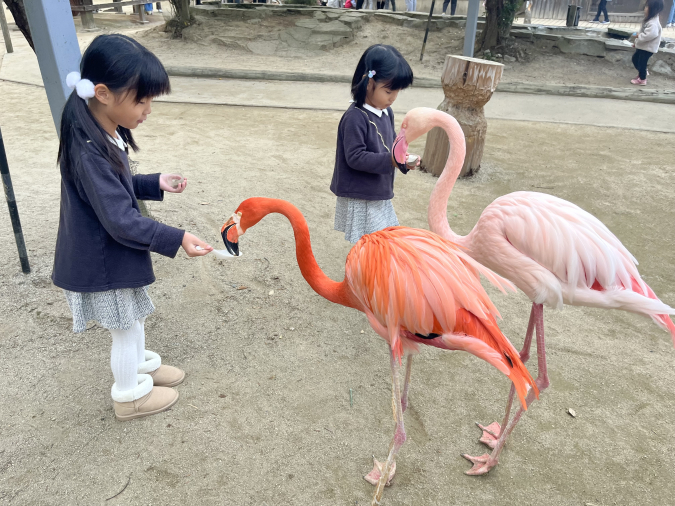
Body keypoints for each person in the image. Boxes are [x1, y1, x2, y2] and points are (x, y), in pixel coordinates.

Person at [53, 34, 214, 421]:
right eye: (141, 99)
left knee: (133, 318)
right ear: (104, 93)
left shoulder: (99, 129)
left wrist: (153, 182)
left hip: (111, 254)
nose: (147, 110)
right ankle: (129, 396)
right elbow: (120, 218)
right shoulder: (87, 147)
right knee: (124, 328)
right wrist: (176, 238)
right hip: (103, 262)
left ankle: (141, 368)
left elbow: (115, 190)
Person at [329, 45, 417, 244]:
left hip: (378, 189)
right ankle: (362, 274)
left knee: (379, 241)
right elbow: (355, 157)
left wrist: (403, 159)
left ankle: (368, 273)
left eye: (397, 92)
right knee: (372, 243)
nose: (393, 98)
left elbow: (392, 145)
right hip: (362, 193)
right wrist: (391, 160)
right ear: (369, 82)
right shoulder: (355, 117)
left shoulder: (387, 112)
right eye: (388, 91)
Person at [630, 0, 663, 85]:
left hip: (648, 48)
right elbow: (643, 32)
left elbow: (649, 35)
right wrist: (636, 42)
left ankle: (642, 79)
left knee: (641, 62)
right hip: (643, 46)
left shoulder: (653, 23)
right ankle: (642, 71)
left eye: (647, 7)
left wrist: (638, 36)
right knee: (635, 59)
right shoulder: (649, 20)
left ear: (653, 9)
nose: (645, 9)